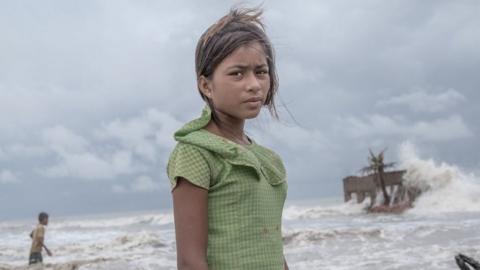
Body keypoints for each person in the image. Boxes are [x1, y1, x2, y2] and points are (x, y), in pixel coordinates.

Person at [167, 7, 289, 270]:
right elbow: (190, 262)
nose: (254, 84)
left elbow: (274, 252)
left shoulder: (270, 162)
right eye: (237, 73)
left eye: (261, 71)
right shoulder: (196, 153)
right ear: (206, 85)